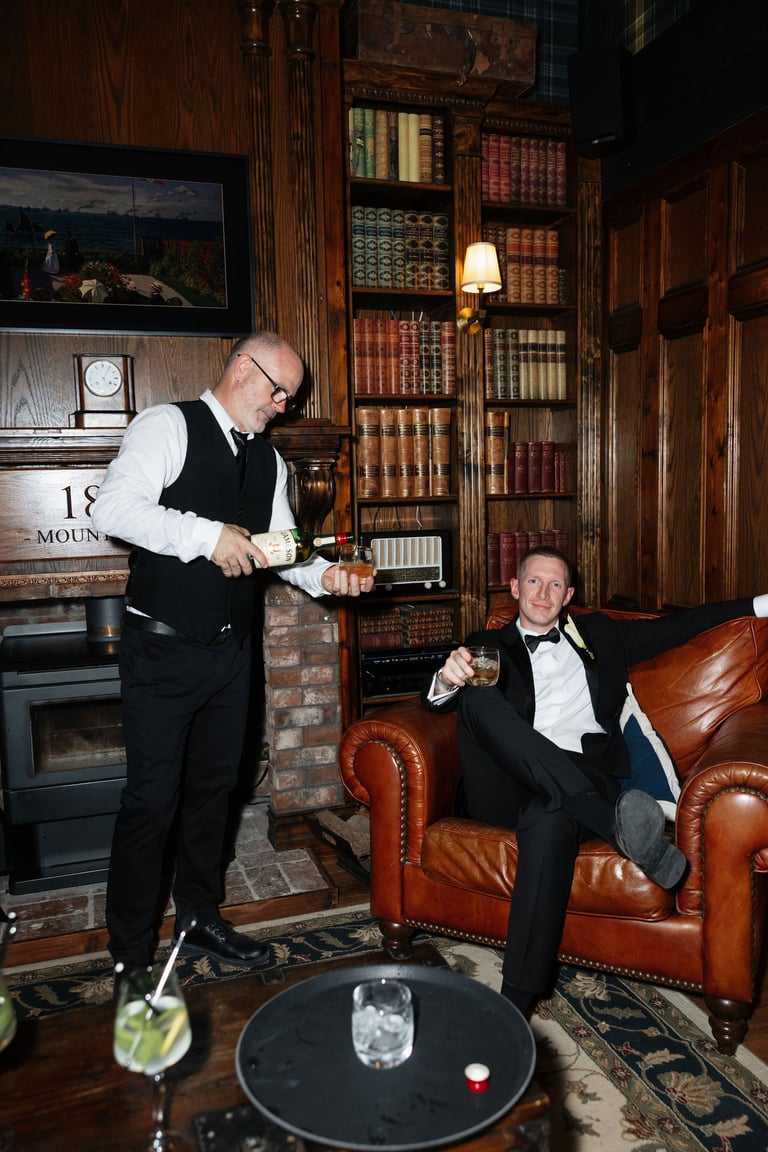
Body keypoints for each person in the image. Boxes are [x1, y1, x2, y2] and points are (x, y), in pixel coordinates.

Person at [91, 330, 374, 978]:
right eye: (280, 392)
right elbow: (112, 509)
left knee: (214, 795)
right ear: (244, 368)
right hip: (161, 653)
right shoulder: (167, 426)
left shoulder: (269, 462)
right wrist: (205, 535)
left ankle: (198, 916)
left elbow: (278, 546)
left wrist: (325, 574)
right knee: (151, 803)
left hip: (231, 658)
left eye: (291, 399)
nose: (283, 406)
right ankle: (130, 959)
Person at [421, 544, 768, 1017]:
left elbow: (682, 626)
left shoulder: (601, 635)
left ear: (569, 596)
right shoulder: (487, 647)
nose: (543, 592)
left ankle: (514, 1005)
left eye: (556, 584)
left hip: (580, 779)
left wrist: (759, 606)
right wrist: (447, 678)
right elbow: (435, 706)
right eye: (535, 582)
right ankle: (614, 824)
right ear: (516, 587)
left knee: (550, 818)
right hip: (503, 784)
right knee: (477, 696)